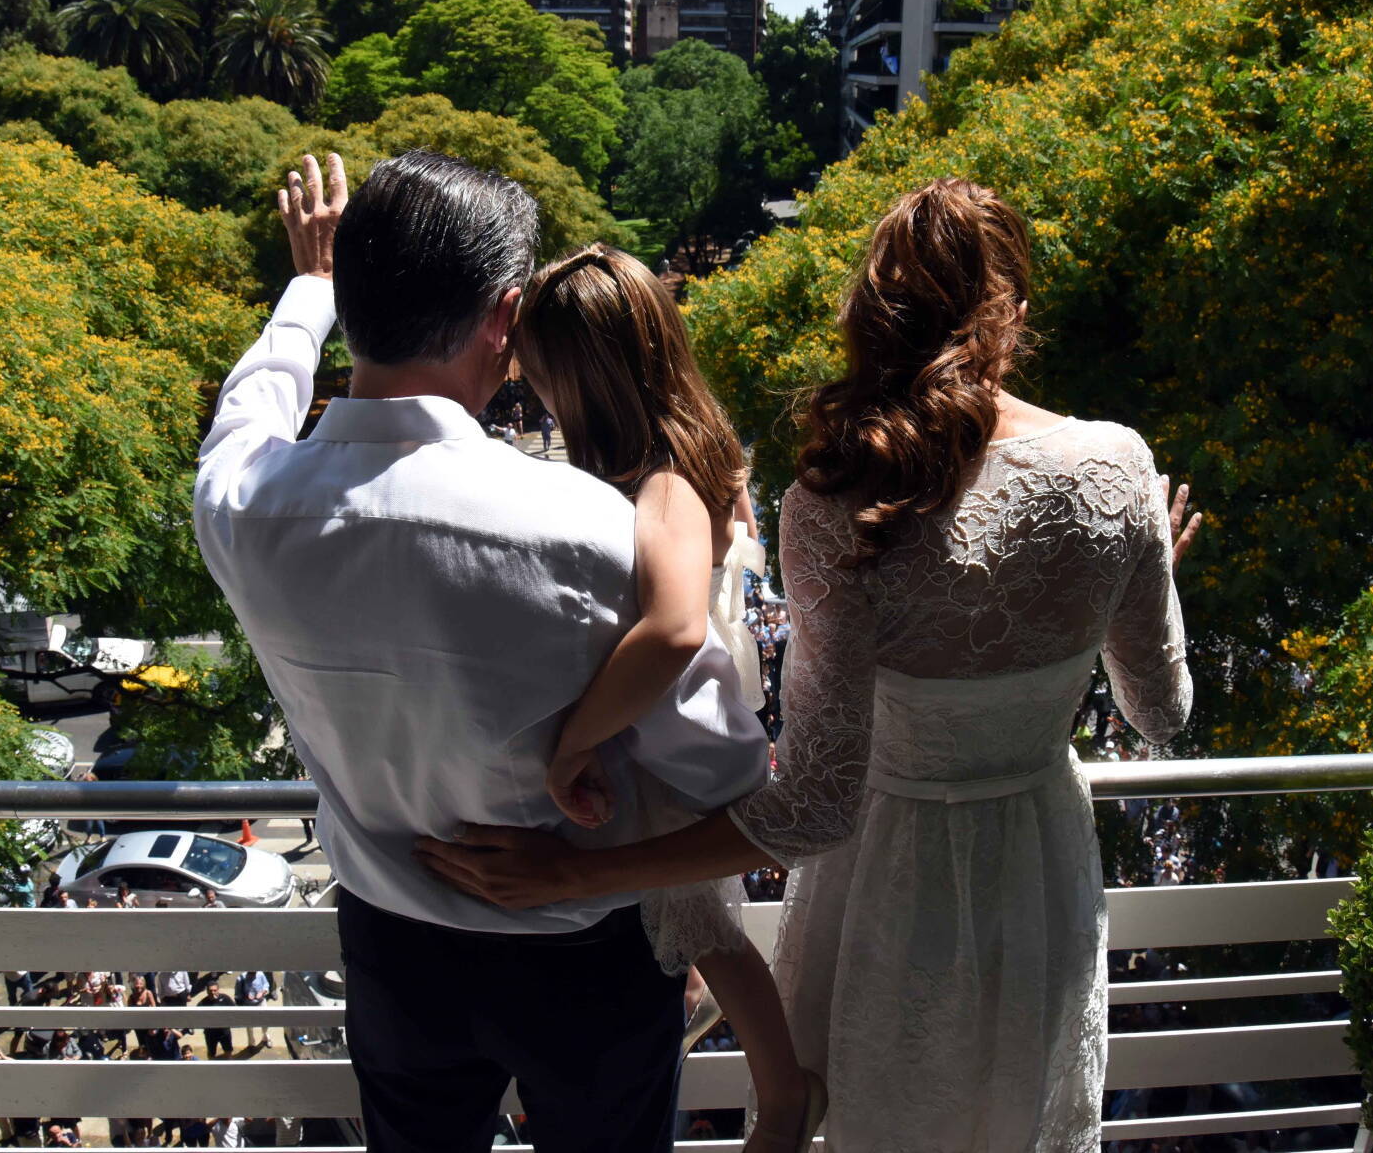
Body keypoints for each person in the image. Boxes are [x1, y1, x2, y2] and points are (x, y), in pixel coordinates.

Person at [416, 178, 1201, 1151]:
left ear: (868, 315)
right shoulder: (1118, 469)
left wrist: (580, 874)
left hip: (891, 873)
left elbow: (818, 803)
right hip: (1036, 865)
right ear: (1016, 313)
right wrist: (1145, 567)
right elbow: (1158, 711)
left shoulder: (840, 497)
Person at [192, 150, 768, 1151]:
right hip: (582, 956)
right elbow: (728, 779)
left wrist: (306, 287)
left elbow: (257, 391)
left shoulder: (241, 499)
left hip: (388, 946)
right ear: (504, 318)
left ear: (356, 296)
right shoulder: (590, 530)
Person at [511, 244, 821, 1149]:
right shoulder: (692, 450)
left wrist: (571, 743)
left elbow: (677, 627)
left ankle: (786, 1093)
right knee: (702, 930)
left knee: (709, 929)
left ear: (584, 374)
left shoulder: (664, 478)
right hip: (681, 740)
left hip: (676, 747)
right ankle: (782, 1086)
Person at [233, 970, 270, 1050]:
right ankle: (251, 1044)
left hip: (261, 1003)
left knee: (266, 1022)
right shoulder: (241, 978)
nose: (254, 974)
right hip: (248, 1005)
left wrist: (263, 992)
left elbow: (266, 984)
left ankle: (265, 1037)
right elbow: (237, 995)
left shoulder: (260, 974)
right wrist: (246, 997)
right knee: (249, 1027)